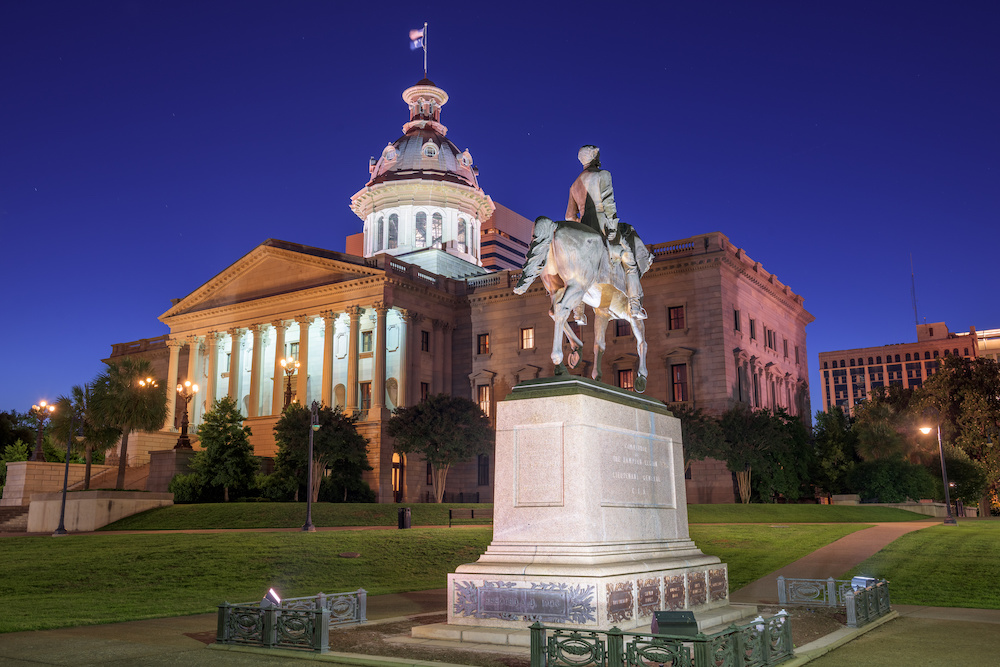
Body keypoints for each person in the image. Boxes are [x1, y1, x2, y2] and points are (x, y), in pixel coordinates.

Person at [565, 145, 650, 319]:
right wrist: (612, 229)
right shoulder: (603, 175)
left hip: (584, 226)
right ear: (595, 157)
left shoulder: (574, 185)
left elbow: (569, 216)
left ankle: (578, 310)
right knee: (629, 261)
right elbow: (609, 203)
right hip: (602, 223)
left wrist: (583, 227)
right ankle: (634, 305)